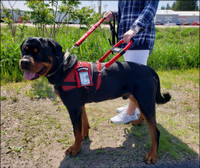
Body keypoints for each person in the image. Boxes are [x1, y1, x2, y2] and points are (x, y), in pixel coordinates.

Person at [103, 0, 159, 124]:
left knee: (135, 79)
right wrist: (114, 14)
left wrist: (135, 28)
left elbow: (150, 8)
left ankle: (130, 113)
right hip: (126, 38)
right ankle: (134, 107)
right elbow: (128, 12)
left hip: (139, 37)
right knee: (129, 76)